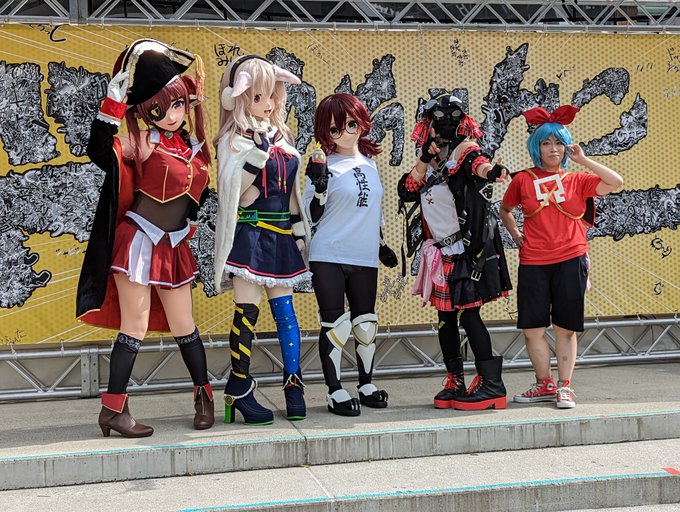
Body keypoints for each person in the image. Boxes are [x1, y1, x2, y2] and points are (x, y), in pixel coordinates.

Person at [76, 39, 214, 437]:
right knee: (133, 326)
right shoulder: (139, 144)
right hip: (139, 242)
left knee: (185, 325)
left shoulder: (190, 145)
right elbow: (98, 151)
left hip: (175, 244)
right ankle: (113, 410)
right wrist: (113, 104)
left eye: (177, 104)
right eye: (159, 109)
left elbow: (196, 195)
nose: (171, 114)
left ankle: (204, 398)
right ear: (144, 111)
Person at [500, 105, 623, 409]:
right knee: (532, 328)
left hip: (571, 258)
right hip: (533, 261)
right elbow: (505, 209)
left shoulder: (577, 179)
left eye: (558, 142)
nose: (553, 148)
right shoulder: (522, 180)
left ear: (566, 146)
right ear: (536, 147)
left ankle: (565, 386)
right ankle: (544, 383)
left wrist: (583, 160)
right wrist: (515, 233)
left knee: (565, 327)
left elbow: (615, 181)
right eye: (546, 142)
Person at [398, 93, 512, 411]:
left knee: (468, 314)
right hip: (440, 252)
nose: (446, 121)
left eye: (453, 115)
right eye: (438, 116)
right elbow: (407, 191)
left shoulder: (465, 151)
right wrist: (425, 158)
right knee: (445, 318)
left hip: (466, 251)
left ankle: (491, 384)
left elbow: (480, 165)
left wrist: (493, 172)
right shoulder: (429, 159)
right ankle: (455, 380)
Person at [214, 55, 311, 425]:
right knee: (247, 314)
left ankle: (294, 387)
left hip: (281, 235)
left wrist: (299, 233)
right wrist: (257, 153)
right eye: (257, 96)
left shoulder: (281, 137)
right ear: (238, 99)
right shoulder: (234, 140)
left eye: (271, 95)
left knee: (286, 315)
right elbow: (236, 194)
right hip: (252, 236)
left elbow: (291, 194)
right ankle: (239, 388)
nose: (267, 103)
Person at [303, 93, 398, 416]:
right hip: (329, 253)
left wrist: (382, 245)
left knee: (365, 323)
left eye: (351, 124)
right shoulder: (323, 163)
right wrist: (319, 188)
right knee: (335, 324)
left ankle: (366, 384)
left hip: (364, 254)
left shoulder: (369, 163)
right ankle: (334, 391)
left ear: (362, 124)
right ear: (325, 131)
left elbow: (375, 210)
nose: (345, 133)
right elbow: (311, 215)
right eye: (335, 129)